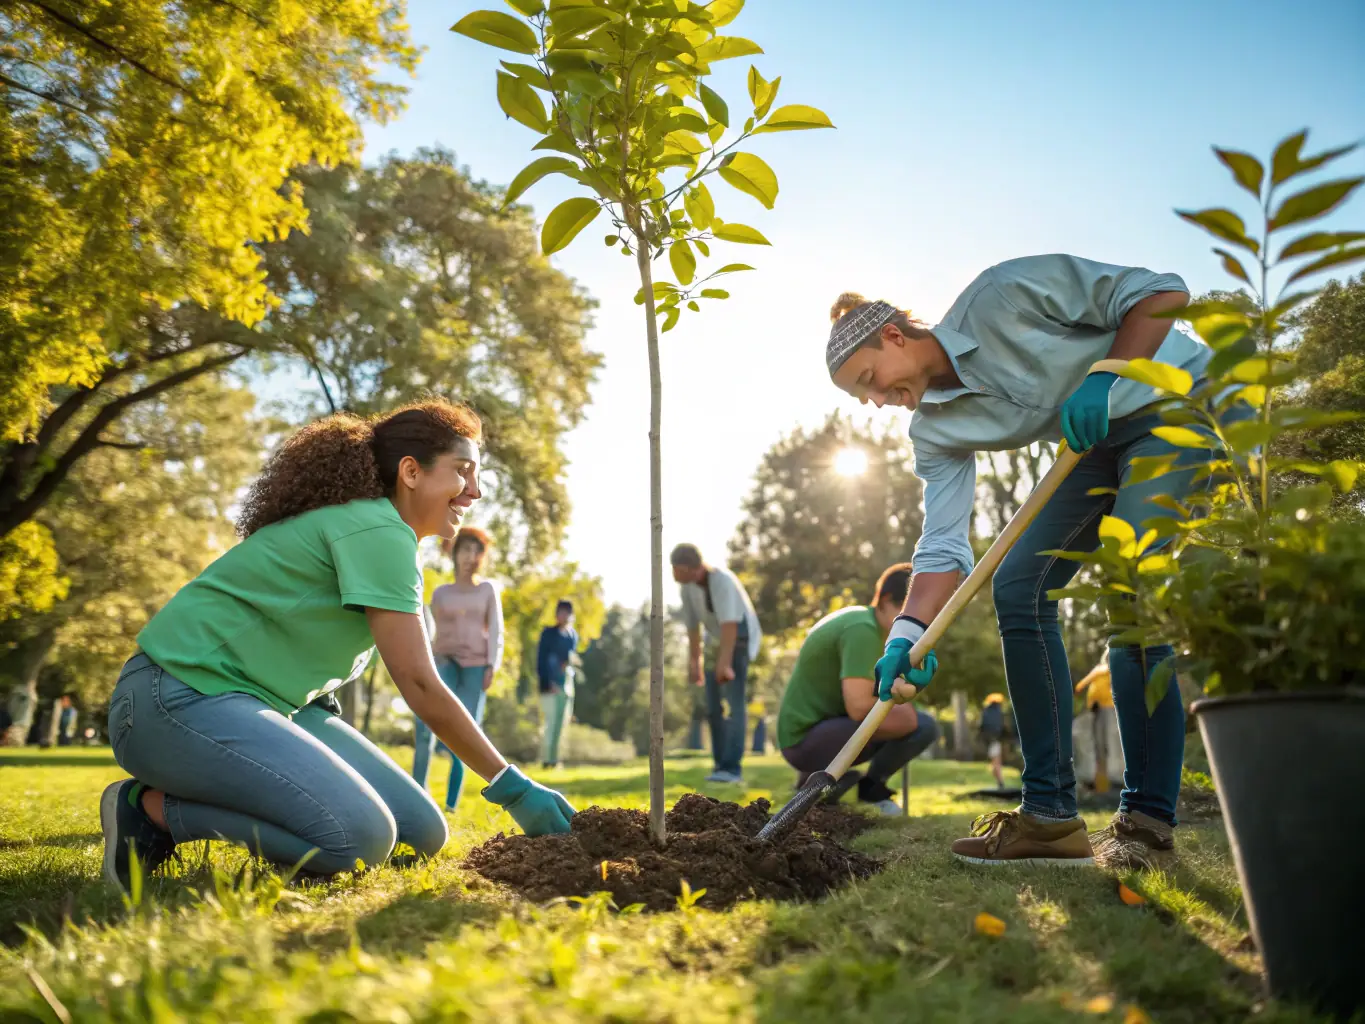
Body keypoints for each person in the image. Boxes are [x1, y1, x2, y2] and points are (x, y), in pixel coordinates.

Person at [826, 254, 1229, 869]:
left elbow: (1162, 293)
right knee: (1017, 586)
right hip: (1093, 444)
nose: (877, 400)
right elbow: (942, 547)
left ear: (893, 335)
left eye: (871, 379)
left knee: (1134, 586)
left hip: (1175, 402)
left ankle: (1146, 822)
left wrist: (1105, 376)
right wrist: (907, 634)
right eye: (864, 397)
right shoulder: (935, 431)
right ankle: (1049, 817)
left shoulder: (1002, 294)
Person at [99, 401, 574, 892]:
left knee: (421, 834)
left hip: (263, 704)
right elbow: (417, 682)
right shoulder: (379, 530)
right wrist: (510, 785)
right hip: (172, 700)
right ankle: (150, 813)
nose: (474, 491)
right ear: (411, 473)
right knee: (361, 839)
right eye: (463, 472)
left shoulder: (378, 530)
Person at [776, 563, 940, 816]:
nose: (919, 624)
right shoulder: (863, 631)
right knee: (921, 726)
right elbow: (860, 707)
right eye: (909, 612)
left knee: (912, 719)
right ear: (886, 601)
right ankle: (869, 788)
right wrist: (907, 711)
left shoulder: (865, 624)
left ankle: (818, 785)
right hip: (806, 741)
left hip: (815, 733)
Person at [412, 526, 504, 812]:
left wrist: (492, 665)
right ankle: (418, 794)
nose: (470, 556)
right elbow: (427, 632)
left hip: (476, 668)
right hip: (444, 663)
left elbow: (497, 631)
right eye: (465, 549)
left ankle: (451, 805)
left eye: (476, 551)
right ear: (454, 553)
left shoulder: (487, 590)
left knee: (466, 735)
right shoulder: (440, 594)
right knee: (426, 727)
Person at [670, 543, 762, 784]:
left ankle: (733, 768)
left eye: (677, 569)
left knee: (734, 703)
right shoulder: (687, 589)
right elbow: (692, 628)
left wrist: (725, 664)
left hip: (738, 638)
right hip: (716, 641)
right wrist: (695, 663)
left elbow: (730, 625)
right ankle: (720, 765)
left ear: (692, 568)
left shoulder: (721, 580)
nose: (673, 574)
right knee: (712, 707)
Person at [536, 600, 578, 769]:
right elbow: (541, 661)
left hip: (566, 684)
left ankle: (556, 759)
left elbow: (570, 661)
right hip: (550, 685)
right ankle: (547, 759)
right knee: (550, 723)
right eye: (561, 612)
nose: (564, 616)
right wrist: (547, 683)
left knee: (562, 723)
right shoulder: (548, 634)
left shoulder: (572, 636)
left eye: (567, 612)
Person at [979, 693, 1007, 790]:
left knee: (994, 761)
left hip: (988, 740)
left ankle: (999, 781)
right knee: (996, 762)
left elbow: (982, 726)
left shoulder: (986, 711)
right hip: (995, 739)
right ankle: (1000, 782)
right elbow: (1002, 727)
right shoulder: (999, 712)